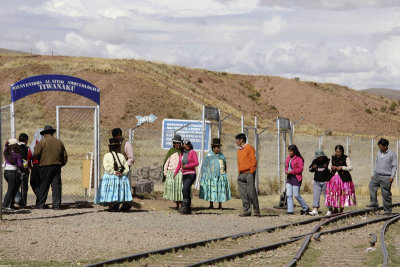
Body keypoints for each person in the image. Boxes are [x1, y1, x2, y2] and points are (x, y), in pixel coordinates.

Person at [34, 125, 68, 210]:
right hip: (57, 166)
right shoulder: (59, 142)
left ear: (45, 134)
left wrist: (39, 160)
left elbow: (36, 154)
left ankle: (40, 204)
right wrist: (62, 163)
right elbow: (64, 155)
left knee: (44, 185)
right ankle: (56, 205)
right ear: (52, 133)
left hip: (45, 165)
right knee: (56, 186)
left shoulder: (42, 142)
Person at [95, 138, 132, 211]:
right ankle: (122, 203)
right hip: (121, 176)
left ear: (110, 147)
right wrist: (121, 173)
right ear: (118, 147)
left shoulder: (107, 155)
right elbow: (126, 168)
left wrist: (114, 172)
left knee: (110, 188)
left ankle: (111, 205)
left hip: (110, 176)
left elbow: (106, 167)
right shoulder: (121, 156)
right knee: (120, 185)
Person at [199, 138, 231, 209]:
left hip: (221, 176)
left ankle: (220, 205)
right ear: (213, 148)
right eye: (217, 148)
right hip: (212, 177)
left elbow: (225, 165)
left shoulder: (221, 156)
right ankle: (211, 205)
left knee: (220, 190)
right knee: (211, 191)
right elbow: (205, 167)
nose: (219, 149)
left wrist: (224, 173)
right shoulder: (209, 156)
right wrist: (206, 176)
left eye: (219, 147)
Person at [368, 138, 398, 215]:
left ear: (386, 146)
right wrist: (373, 173)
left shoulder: (392, 154)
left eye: (381, 146)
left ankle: (387, 211)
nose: (379, 148)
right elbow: (376, 164)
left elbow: (394, 166)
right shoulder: (378, 153)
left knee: (386, 194)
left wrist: (392, 176)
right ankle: (374, 203)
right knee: (371, 186)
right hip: (377, 175)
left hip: (386, 177)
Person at [325, 145, 356, 213]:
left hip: (343, 179)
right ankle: (335, 208)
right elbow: (328, 166)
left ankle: (341, 209)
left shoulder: (346, 158)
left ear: (342, 152)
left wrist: (342, 167)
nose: (338, 153)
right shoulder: (332, 157)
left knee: (342, 194)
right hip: (333, 179)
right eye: (336, 151)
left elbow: (350, 168)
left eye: (339, 152)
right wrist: (331, 168)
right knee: (333, 194)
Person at [235, 133, 260, 217]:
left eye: (237, 140)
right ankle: (247, 211)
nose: (236, 142)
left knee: (251, 192)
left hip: (249, 173)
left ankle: (256, 210)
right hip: (241, 174)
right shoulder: (238, 151)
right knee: (243, 194)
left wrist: (251, 171)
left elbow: (253, 160)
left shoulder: (249, 148)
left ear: (241, 140)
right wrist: (239, 173)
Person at [174, 139, 199, 214]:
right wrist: (175, 173)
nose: (187, 146)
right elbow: (179, 164)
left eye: (188, 144)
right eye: (186, 144)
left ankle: (184, 207)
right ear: (183, 145)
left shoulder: (192, 152)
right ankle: (188, 208)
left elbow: (196, 162)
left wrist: (187, 166)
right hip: (184, 174)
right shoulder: (182, 153)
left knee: (184, 189)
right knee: (187, 190)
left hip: (191, 174)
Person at [285, 144, 310, 215]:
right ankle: (290, 210)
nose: (289, 153)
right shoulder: (288, 158)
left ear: (294, 151)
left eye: (290, 151)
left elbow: (300, 169)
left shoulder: (299, 159)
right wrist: (286, 171)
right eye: (288, 151)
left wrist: (292, 172)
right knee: (289, 195)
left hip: (296, 178)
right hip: (289, 178)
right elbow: (286, 166)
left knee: (296, 195)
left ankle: (306, 208)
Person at [2, 138, 24, 211]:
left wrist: (6, 143)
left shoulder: (6, 152)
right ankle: (5, 205)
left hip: (6, 172)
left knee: (13, 188)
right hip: (13, 173)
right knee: (11, 189)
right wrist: (23, 167)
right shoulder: (17, 154)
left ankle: (11, 205)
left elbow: (5, 147)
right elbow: (20, 165)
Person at [163, 135, 183, 209]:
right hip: (171, 173)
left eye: (179, 143)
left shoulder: (183, 152)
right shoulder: (171, 151)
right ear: (173, 143)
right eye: (176, 143)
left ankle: (181, 204)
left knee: (180, 189)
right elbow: (166, 163)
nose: (178, 145)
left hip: (180, 173)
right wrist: (165, 173)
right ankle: (177, 205)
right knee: (175, 190)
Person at [308, 149, 331, 216]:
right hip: (317, 182)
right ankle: (315, 209)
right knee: (316, 196)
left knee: (327, 196)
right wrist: (313, 168)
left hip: (326, 182)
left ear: (323, 156)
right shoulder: (315, 161)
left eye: (320, 157)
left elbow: (329, 168)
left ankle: (330, 209)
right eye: (317, 157)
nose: (319, 158)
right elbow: (310, 169)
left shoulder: (327, 161)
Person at [28, 128, 44, 203]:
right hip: (44, 165)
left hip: (36, 165)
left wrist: (29, 165)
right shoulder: (46, 142)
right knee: (42, 183)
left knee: (33, 182)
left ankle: (39, 198)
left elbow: (29, 154)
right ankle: (41, 200)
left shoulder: (34, 143)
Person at [16, 133, 31, 207]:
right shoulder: (28, 148)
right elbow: (29, 158)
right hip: (25, 170)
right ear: (26, 140)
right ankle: (23, 203)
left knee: (15, 186)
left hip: (16, 169)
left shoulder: (15, 147)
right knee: (24, 187)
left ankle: (15, 200)